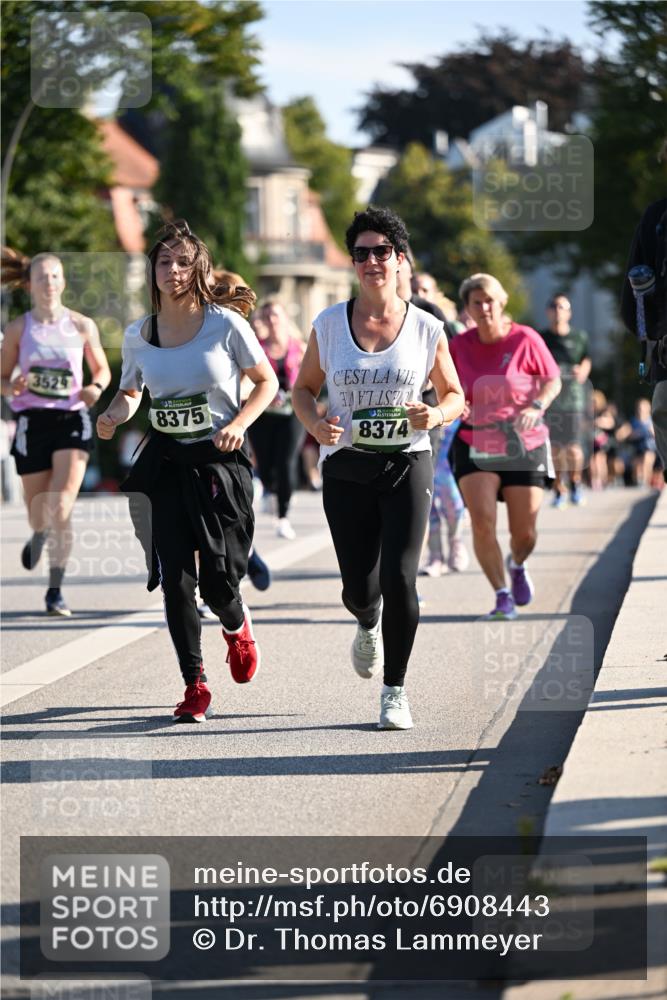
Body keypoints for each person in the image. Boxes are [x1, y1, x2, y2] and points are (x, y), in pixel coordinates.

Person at [96, 220, 278, 723]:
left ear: (197, 269)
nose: (171, 271)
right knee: (177, 580)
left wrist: (240, 423)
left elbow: (266, 382)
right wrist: (114, 414)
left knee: (220, 583)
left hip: (221, 462)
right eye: (162, 261)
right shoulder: (139, 334)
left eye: (181, 262)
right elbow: (131, 392)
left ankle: (236, 625)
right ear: (152, 270)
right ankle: (194, 685)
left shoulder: (226, 325)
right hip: (167, 464)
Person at [293, 206, 464, 730]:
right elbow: (302, 389)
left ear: (399, 258)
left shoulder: (426, 327)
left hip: (407, 461)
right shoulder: (329, 324)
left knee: (400, 578)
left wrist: (433, 413)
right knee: (359, 587)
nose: (372, 261)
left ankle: (395, 690)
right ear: (353, 262)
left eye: (382, 252)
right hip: (346, 466)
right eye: (362, 253)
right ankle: (366, 620)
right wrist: (316, 425)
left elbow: (456, 395)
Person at [0, 248, 111, 616]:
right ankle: (38, 532)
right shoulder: (19, 328)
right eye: (41, 277)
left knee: (61, 504)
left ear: (63, 281)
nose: (48, 282)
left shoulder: (81, 325)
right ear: (29, 284)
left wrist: (95, 388)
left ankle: (55, 590)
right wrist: (9, 388)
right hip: (33, 420)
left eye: (54, 276)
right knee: (39, 511)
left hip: (71, 418)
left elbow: (102, 371)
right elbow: (1, 378)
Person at [449, 273, 562, 620]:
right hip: (474, 439)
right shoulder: (458, 346)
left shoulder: (525, 339)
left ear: (502, 303)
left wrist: (536, 406)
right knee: (482, 523)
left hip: (522, 442)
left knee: (524, 532)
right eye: (475, 302)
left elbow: (552, 380)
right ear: (467, 308)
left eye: (489, 301)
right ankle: (501, 595)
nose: (483, 308)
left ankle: (517, 563)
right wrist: (456, 404)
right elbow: (445, 386)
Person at [247, 299, 306, 540]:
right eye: (268, 315)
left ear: (285, 318)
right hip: (262, 413)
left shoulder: (299, 347)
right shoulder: (255, 348)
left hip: (292, 414)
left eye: (276, 315)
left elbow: (312, 379)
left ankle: (283, 517)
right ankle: (269, 489)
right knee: (266, 462)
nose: (272, 320)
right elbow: (246, 379)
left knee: (287, 461)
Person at [620, 188, 667, 480]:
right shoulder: (657, 218)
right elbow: (633, 298)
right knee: (663, 409)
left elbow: (630, 305)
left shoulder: (657, 216)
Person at [539, 294, 592, 508]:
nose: (558, 310)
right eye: (554, 306)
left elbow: (586, 359)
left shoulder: (579, 337)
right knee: (553, 448)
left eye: (562, 307)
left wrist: (583, 371)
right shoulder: (541, 338)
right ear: (548, 311)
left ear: (569, 313)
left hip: (573, 400)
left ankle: (576, 482)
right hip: (550, 400)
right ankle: (559, 487)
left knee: (572, 447)